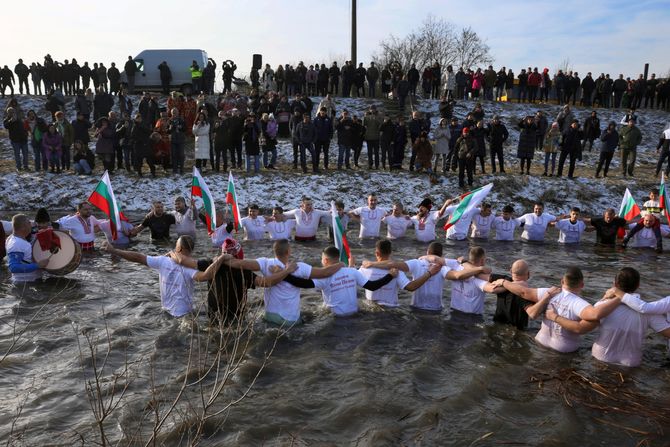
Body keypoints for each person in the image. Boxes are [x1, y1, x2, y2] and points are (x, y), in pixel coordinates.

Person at [547, 268, 670, 367]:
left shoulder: (601, 307)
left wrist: (555, 316)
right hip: (630, 362)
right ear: (638, 285)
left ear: (615, 284)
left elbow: (581, 328)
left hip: (601, 358)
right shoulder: (651, 312)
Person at [493, 267, 621, 353]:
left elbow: (522, 292)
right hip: (563, 353)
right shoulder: (579, 304)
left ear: (562, 281)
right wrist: (617, 297)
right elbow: (584, 325)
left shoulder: (548, 292)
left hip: (539, 344)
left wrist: (504, 282)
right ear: (582, 285)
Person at [221, 239, 344, 324]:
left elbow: (238, 263)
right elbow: (324, 273)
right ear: (288, 252)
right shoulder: (299, 267)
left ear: (275, 251)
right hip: (289, 319)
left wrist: (220, 258)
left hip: (269, 315)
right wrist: (341, 264)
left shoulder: (265, 262)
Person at [102, 236, 223, 318]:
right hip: (184, 313)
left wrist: (115, 251)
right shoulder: (191, 267)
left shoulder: (162, 261)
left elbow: (137, 257)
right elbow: (206, 276)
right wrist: (221, 259)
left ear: (178, 248)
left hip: (165, 311)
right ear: (191, 250)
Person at [364, 242, 490, 312]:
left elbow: (393, 263)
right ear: (441, 255)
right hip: (435, 310)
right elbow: (458, 276)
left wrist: (372, 264)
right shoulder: (443, 267)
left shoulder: (416, 262)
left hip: (415, 308)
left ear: (427, 252)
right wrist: (477, 269)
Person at [359, 240, 443, 308]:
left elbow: (351, 278)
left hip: (371, 307)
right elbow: (411, 287)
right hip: (391, 309)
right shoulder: (397, 270)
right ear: (390, 252)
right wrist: (429, 273)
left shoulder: (365, 268)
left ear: (377, 253)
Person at [490, 260, 561, 330]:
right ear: (528, 274)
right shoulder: (526, 294)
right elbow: (532, 314)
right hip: (515, 331)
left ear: (511, 271)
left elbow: (484, 276)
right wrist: (547, 297)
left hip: (496, 326)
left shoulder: (501, 282)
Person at [5, 214, 49, 282]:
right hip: (25, 283)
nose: (31, 225)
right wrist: (38, 265)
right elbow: (13, 267)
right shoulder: (16, 244)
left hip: (30, 281)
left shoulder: (14, 238)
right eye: (29, 223)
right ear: (23, 227)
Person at [3, 107, 29, 171]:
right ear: (8, 113)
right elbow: (6, 126)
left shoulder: (19, 119)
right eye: (10, 112)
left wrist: (26, 134)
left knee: (25, 154)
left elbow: (25, 126)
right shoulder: (6, 120)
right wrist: (11, 121)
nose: (12, 113)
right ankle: (19, 167)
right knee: (17, 154)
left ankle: (26, 166)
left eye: (13, 112)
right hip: (15, 140)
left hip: (23, 139)